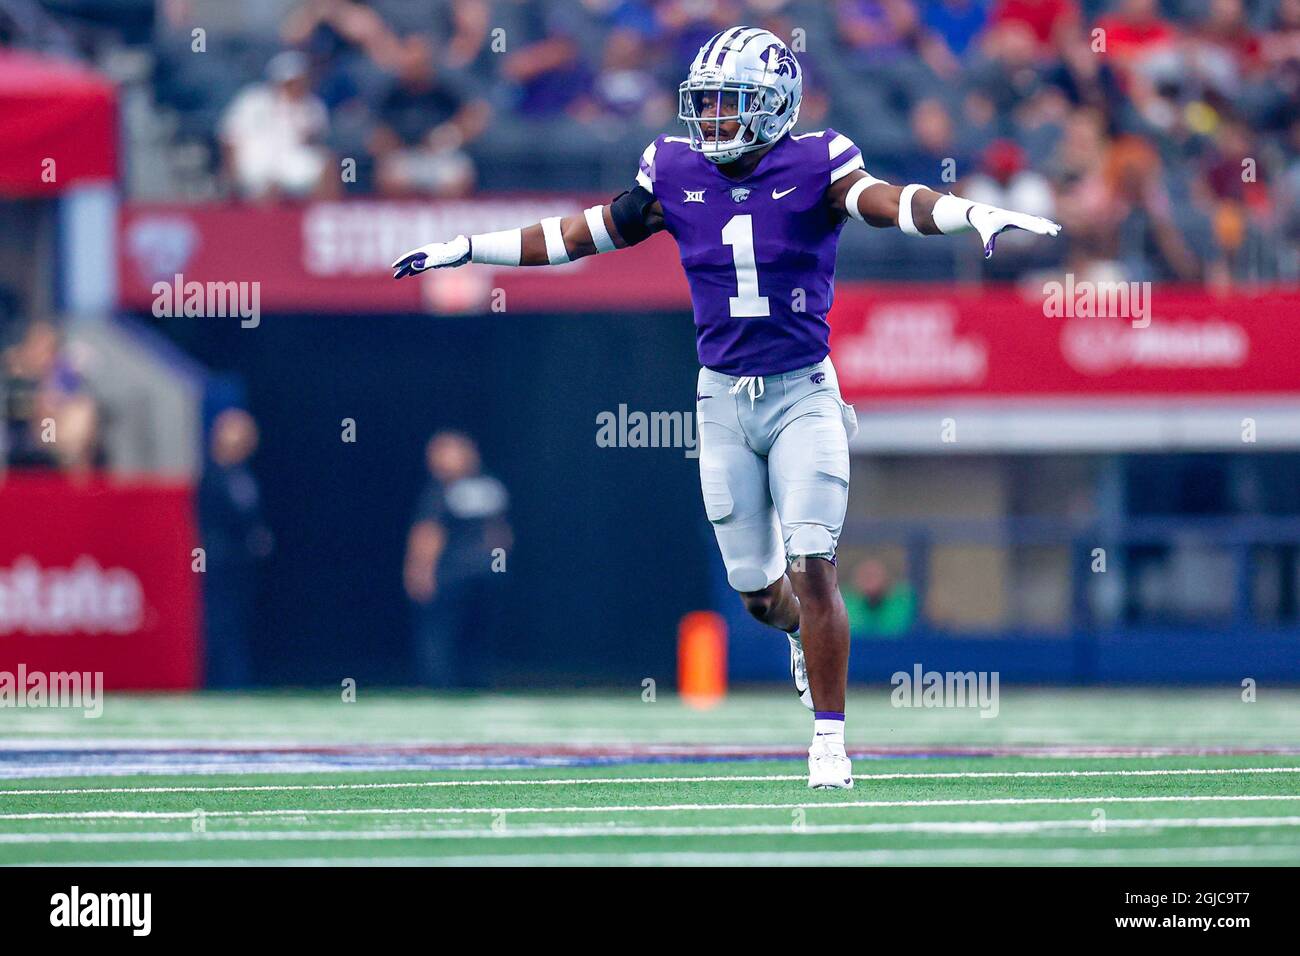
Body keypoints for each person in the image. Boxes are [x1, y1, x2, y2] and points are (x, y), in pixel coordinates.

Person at [391, 26, 1060, 788]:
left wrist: (966, 214)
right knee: (759, 594)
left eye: (728, 104)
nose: (710, 120)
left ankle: (830, 744)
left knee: (814, 567)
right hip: (720, 401)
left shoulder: (818, 162)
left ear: (776, 105)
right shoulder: (673, 170)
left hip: (804, 392)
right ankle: (799, 639)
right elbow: (583, 234)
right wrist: (471, 246)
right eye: (704, 104)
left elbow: (889, 203)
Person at [404, 431, 511, 688]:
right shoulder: (491, 486)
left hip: (453, 574)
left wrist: (419, 570)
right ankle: (470, 683)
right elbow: (502, 534)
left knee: (442, 633)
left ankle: (442, 686)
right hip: (483, 572)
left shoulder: (444, 489)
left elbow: (429, 533)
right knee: (474, 634)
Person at [198, 408, 272, 688]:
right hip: (217, 567)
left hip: (241, 570)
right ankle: (217, 683)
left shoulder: (244, 475)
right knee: (217, 625)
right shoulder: (210, 475)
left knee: (237, 626)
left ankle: (236, 682)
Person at [843, 558, 916, 637]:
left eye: (875, 576)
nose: (870, 581)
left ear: (886, 579)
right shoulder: (845, 604)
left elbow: (895, 628)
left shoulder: (901, 602)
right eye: (866, 576)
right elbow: (854, 629)